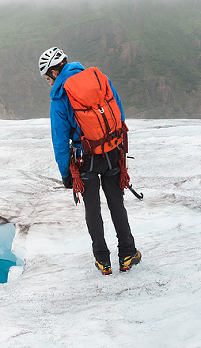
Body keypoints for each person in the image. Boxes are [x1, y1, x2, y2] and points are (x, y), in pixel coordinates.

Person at [39, 47, 141, 275]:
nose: (48, 82)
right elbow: (119, 114)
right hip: (112, 153)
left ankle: (102, 261)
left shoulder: (59, 95)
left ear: (54, 72)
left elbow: (59, 138)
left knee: (92, 210)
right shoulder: (97, 77)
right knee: (117, 205)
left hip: (84, 160)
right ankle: (128, 254)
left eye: (47, 77)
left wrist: (66, 173)